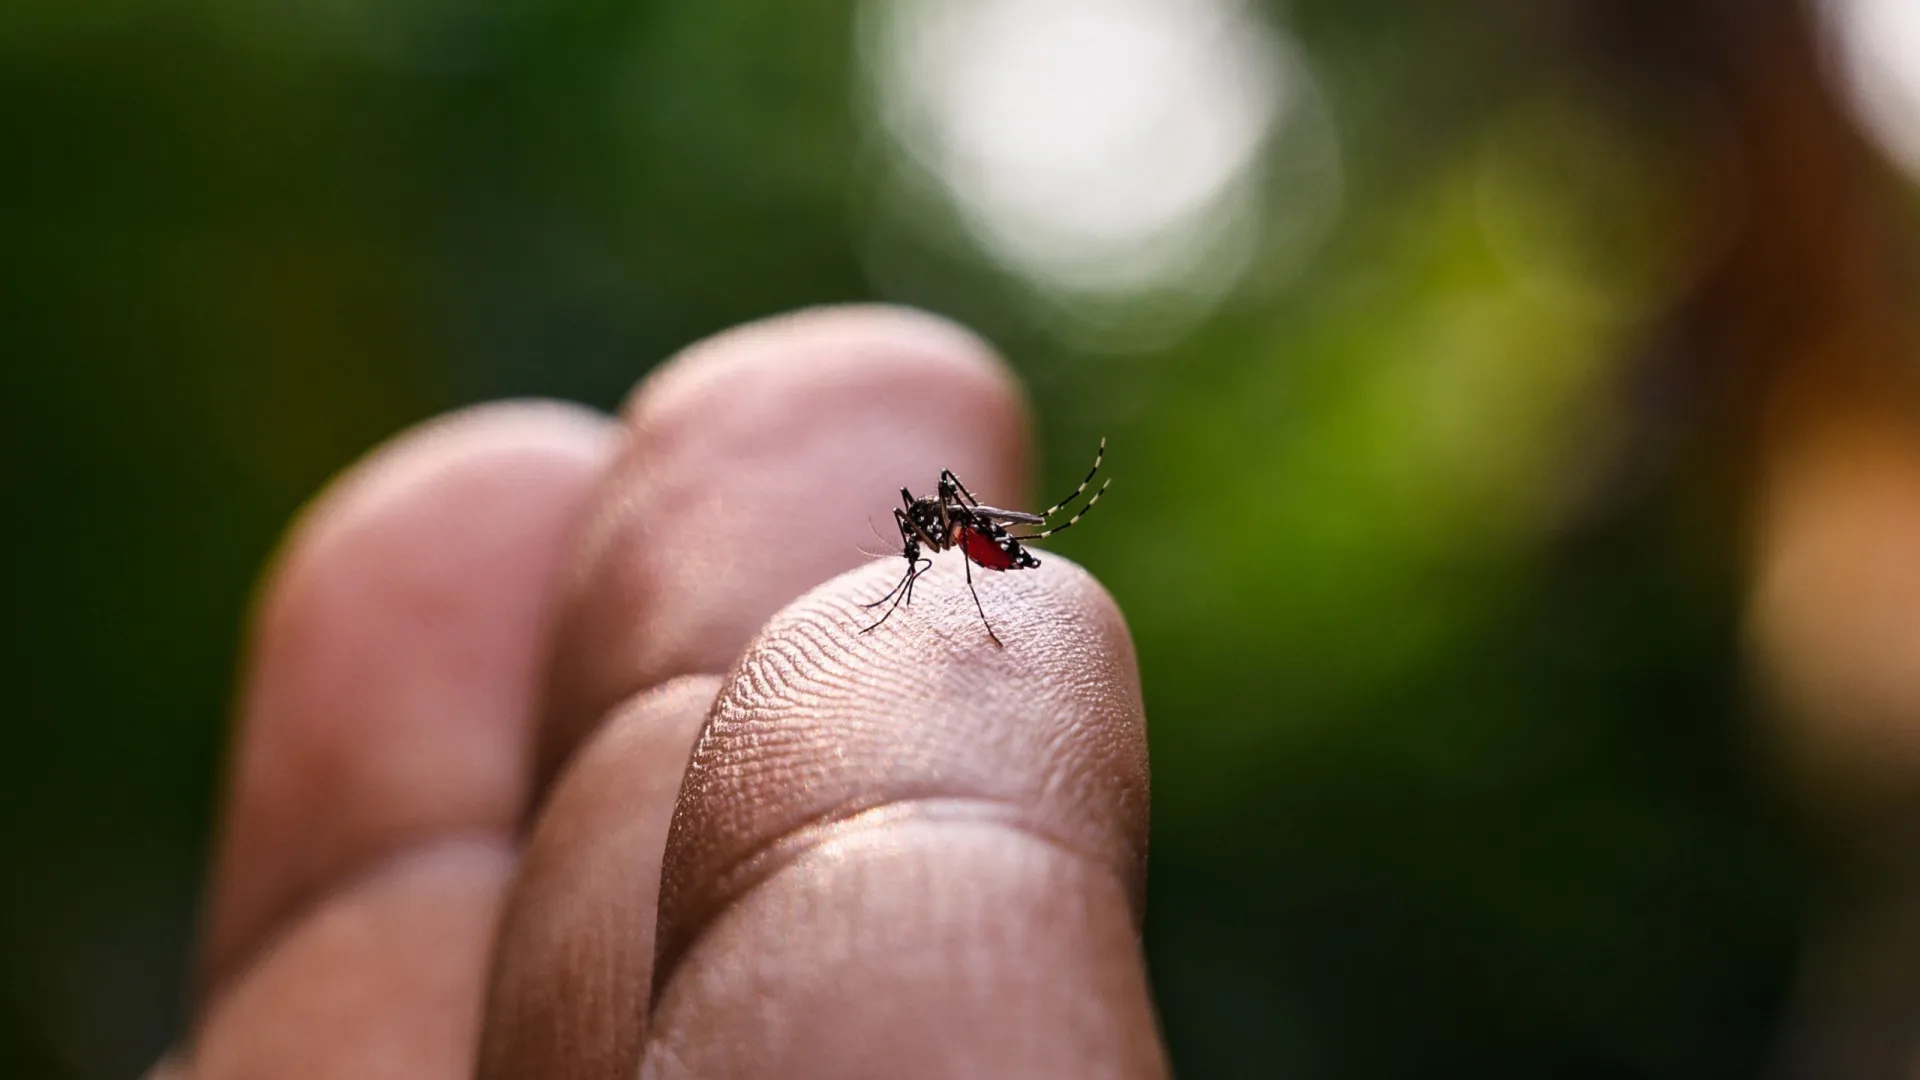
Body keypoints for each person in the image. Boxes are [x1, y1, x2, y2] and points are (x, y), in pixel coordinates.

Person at [158, 305, 1165, 1078]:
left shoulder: (949, 534)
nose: (917, 528)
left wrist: (973, 552)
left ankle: (1050, 519)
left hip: (994, 569)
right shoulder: (925, 533)